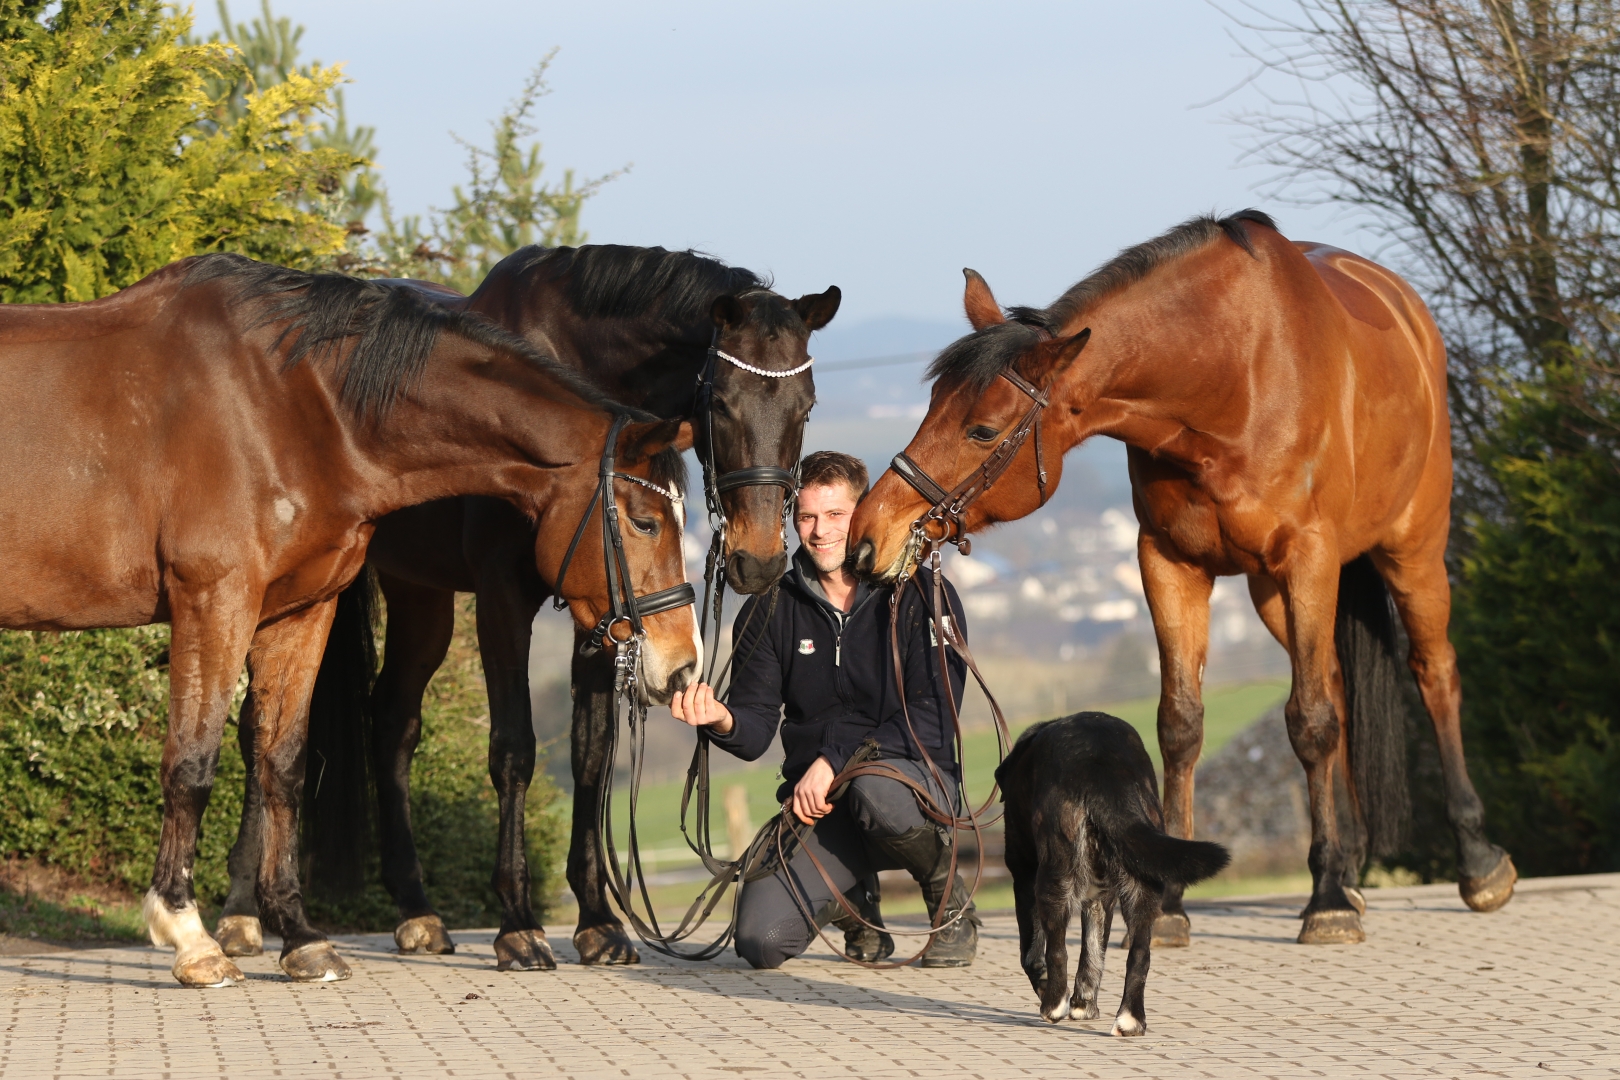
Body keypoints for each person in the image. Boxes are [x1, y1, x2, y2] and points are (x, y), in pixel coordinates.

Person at [670, 450, 977, 970]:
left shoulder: (922, 592)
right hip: (821, 804)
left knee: (875, 790)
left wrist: (834, 760)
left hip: (910, 787)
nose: (820, 531)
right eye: (807, 516)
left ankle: (947, 899)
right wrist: (721, 718)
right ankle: (855, 904)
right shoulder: (770, 606)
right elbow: (754, 729)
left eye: (835, 514)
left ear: (862, 514)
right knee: (761, 940)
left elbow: (933, 716)